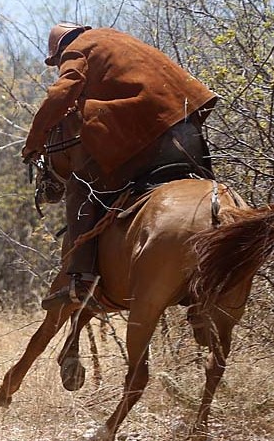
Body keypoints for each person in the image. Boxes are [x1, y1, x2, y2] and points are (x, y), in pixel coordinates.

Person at [23, 23, 219, 310]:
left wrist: (34, 141)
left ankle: (82, 279)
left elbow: (61, 94)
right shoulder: (117, 39)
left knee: (81, 186)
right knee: (205, 192)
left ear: (60, 49)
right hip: (187, 124)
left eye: (57, 62)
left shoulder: (76, 50)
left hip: (149, 128)